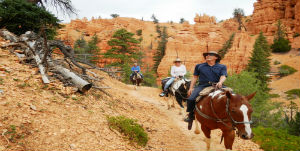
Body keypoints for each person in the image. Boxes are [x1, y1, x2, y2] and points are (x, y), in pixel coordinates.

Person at [184, 51, 228, 129]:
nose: (208, 56)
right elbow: (195, 77)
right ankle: (191, 115)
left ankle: (231, 118)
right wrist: (191, 88)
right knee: (191, 99)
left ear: (216, 57)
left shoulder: (222, 66)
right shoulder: (199, 66)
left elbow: (223, 76)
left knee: (232, 96)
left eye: (210, 55)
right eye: (206, 55)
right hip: (203, 85)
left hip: (217, 85)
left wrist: (220, 82)